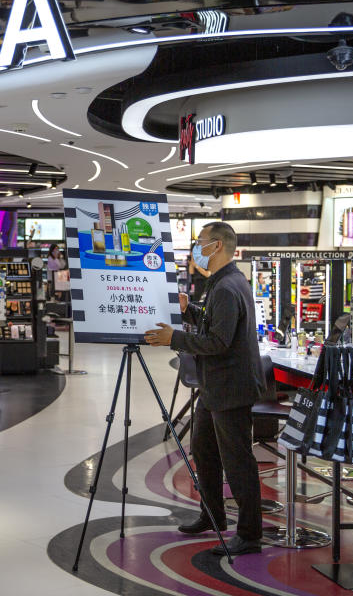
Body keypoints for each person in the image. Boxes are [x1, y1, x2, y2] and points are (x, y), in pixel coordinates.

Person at [144, 221, 265, 556]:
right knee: (206, 452)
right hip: (217, 388)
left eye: (200, 242)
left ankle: (250, 534)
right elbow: (217, 326)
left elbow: (218, 342)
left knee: (238, 461)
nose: (196, 248)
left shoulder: (227, 287)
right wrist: (191, 311)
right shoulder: (224, 283)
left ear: (218, 246)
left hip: (230, 389)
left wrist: (175, 338)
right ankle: (212, 515)